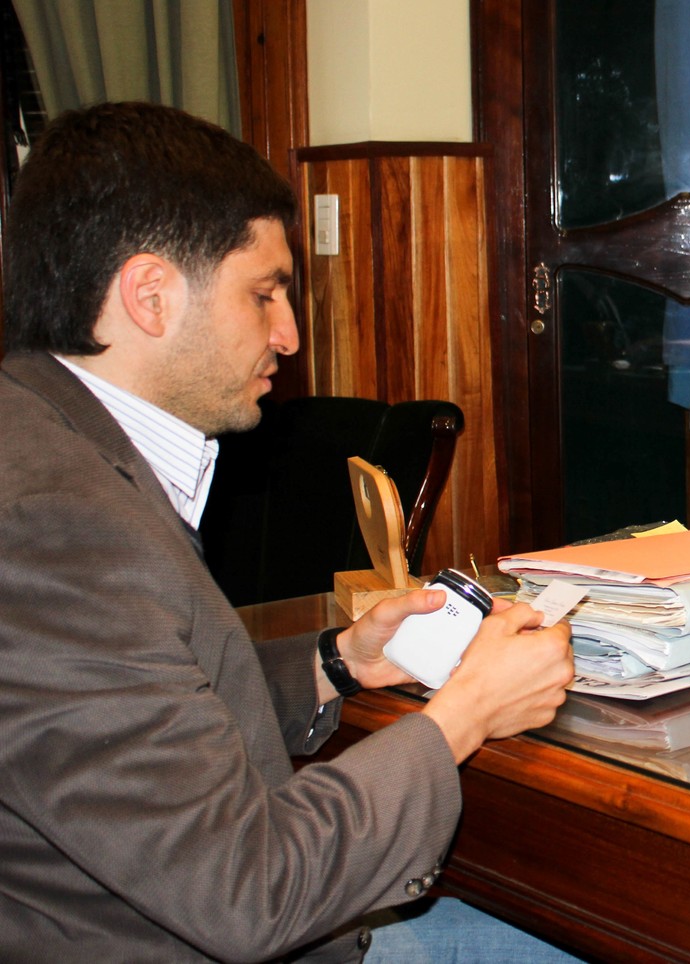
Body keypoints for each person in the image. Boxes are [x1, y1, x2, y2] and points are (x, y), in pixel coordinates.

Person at [0, 103, 578, 961]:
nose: (289, 335)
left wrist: (336, 660)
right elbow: (250, 892)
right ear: (150, 295)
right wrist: (463, 714)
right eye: (264, 292)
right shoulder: (58, 526)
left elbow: (134, 719)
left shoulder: (47, 430)